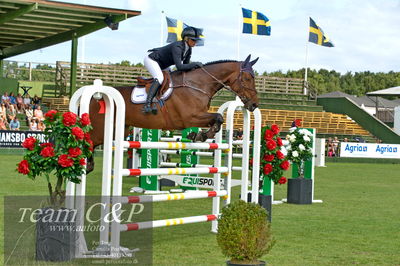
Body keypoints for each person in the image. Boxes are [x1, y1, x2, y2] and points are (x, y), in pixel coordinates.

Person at [143, 26, 203, 114]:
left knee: (171, 79)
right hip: (152, 60)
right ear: (186, 39)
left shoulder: (189, 49)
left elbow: (185, 67)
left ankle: (161, 101)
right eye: (193, 40)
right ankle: (147, 104)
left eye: (196, 40)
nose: (195, 42)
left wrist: (195, 68)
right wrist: (194, 64)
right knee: (159, 78)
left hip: (163, 64)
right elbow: (179, 67)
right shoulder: (177, 46)